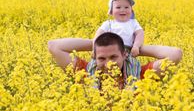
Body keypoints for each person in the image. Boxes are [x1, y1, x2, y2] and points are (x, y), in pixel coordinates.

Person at [48, 32, 182, 89]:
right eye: (101, 58)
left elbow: (175, 54)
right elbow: (54, 46)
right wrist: (94, 44)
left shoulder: (141, 75)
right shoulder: (85, 73)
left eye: (113, 57)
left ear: (124, 55)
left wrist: (133, 47)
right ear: (94, 56)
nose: (108, 64)